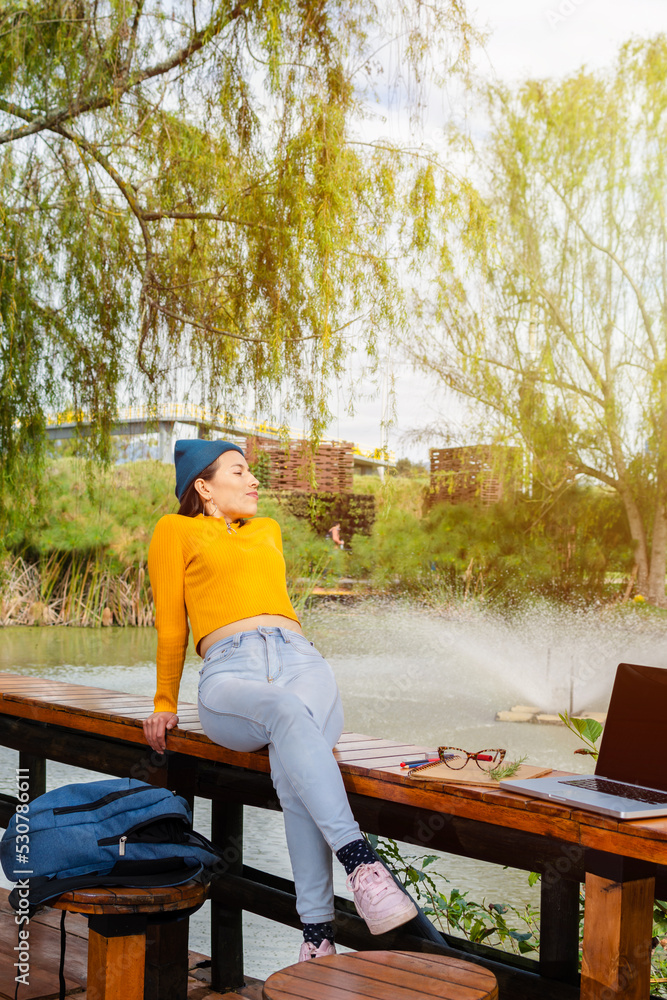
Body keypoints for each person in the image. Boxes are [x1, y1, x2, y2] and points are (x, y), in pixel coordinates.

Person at [142, 439, 417, 961]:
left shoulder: (267, 530)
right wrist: (163, 699)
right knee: (289, 722)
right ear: (203, 485)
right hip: (229, 672)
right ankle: (361, 865)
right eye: (240, 472)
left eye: (253, 473)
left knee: (295, 773)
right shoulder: (173, 530)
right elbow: (171, 624)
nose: (254, 482)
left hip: (301, 659)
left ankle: (317, 939)